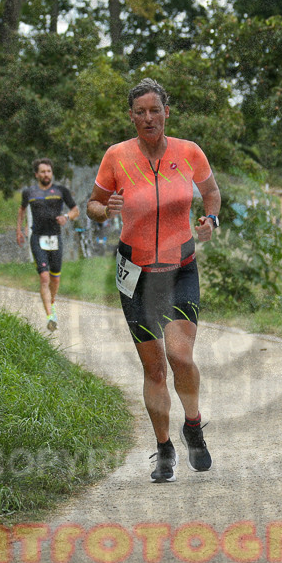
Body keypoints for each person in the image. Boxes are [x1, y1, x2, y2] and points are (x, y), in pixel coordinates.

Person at [86, 77, 220, 484]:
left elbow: (211, 193)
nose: (148, 117)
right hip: (137, 275)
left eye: (155, 110)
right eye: (140, 112)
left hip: (180, 268)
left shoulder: (189, 152)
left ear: (167, 113)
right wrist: (105, 209)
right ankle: (164, 449)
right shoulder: (117, 156)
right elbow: (92, 205)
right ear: (131, 117)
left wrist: (210, 220)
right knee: (155, 368)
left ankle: (193, 425)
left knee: (180, 356)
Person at [16, 158, 80, 331]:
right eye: (43, 172)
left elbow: (75, 210)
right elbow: (22, 209)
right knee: (44, 277)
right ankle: (50, 316)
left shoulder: (60, 191)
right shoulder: (29, 192)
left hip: (55, 238)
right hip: (37, 237)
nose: (46, 174)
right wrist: (19, 230)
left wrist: (66, 217)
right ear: (36, 174)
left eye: (49, 171)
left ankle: (52, 303)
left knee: (55, 278)